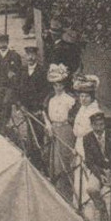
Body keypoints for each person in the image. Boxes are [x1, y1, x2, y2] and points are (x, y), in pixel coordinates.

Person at [44, 64, 77, 201]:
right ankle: (56, 188)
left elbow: (73, 117)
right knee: (52, 159)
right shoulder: (51, 100)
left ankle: (66, 192)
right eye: (55, 85)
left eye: (60, 85)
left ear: (64, 85)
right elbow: (45, 113)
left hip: (65, 129)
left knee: (64, 159)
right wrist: (48, 126)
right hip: (53, 129)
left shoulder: (69, 100)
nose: (58, 87)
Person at [71, 74, 102, 216]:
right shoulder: (82, 109)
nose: (83, 99)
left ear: (92, 97)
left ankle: (90, 214)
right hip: (79, 145)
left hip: (89, 148)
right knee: (78, 179)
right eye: (81, 96)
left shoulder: (94, 111)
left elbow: (91, 133)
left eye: (86, 96)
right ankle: (79, 208)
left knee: (87, 180)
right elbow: (76, 129)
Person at [12, 45, 48, 159]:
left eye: (33, 55)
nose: (30, 58)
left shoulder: (42, 71)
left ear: (36, 56)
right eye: (28, 55)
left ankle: (39, 159)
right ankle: (30, 156)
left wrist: (39, 106)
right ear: (25, 56)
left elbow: (45, 91)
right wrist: (20, 104)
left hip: (37, 109)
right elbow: (16, 88)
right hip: (24, 108)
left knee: (38, 134)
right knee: (27, 133)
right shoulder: (21, 70)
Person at [0, 34, 22, 135]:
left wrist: (13, 76)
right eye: (0, 42)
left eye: (4, 42)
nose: (2, 44)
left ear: (7, 43)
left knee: (6, 106)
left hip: (8, 87)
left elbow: (19, 72)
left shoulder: (14, 56)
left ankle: (4, 130)